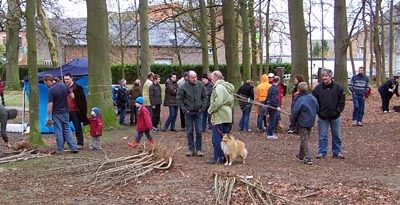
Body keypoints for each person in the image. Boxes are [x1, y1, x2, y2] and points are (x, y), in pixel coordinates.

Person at [312, 69, 345, 159]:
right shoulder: (317, 89)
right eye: (323, 76)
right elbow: (314, 102)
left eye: (326, 76)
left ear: (330, 77)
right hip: (322, 116)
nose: (324, 78)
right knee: (322, 136)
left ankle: (337, 151)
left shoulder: (338, 88)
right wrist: (318, 112)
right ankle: (322, 152)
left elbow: (341, 102)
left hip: (335, 116)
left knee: (337, 135)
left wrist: (337, 111)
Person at [44, 74, 78, 154]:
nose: (46, 85)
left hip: (57, 113)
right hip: (66, 112)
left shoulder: (51, 90)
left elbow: (50, 104)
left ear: (48, 81)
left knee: (58, 130)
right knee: (67, 129)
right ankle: (73, 147)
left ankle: (60, 149)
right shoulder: (64, 85)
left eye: (46, 83)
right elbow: (72, 96)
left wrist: (48, 115)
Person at [177, 70, 207, 157]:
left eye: (195, 77)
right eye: (193, 77)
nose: (195, 79)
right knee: (189, 131)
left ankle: (199, 149)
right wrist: (184, 110)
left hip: (198, 111)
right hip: (188, 112)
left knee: (199, 131)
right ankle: (191, 149)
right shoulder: (183, 87)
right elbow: (179, 99)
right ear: (188, 78)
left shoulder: (200, 85)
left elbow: (205, 96)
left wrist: (203, 107)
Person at [207, 71, 235, 164]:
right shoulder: (228, 87)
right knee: (226, 137)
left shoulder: (218, 87)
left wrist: (210, 110)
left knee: (217, 138)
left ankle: (218, 157)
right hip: (228, 115)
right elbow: (231, 101)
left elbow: (218, 101)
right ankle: (226, 156)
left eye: (212, 78)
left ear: (215, 77)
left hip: (219, 116)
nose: (211, 80)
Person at [290, 82, 319, 165]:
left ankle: (308, 157)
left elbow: (295, 111)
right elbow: (317, 107)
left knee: (304, 139)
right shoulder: (312, 97)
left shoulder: (300, 99)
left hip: (302, 121)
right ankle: (301, 155)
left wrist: (292, 123)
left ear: (299, 89)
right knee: (305, 138)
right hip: (311, 120)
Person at [63, 73, 89, 149]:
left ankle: (80, 143)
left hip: (75, 111)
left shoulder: (78, 88)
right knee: (63, 127)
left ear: (71, 78)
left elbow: (83, 101)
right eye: (65, 79)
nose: (66, 81)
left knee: (77, 127)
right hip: (66, 111)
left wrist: (83, 111)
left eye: (67, 79)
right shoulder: (63, 87)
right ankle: (62, 142)